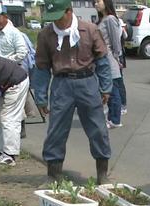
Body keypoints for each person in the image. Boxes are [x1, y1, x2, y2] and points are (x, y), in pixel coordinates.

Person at [32, 0, 113, 184]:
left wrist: (106, 87)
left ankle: (102, 174)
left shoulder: (90, 30)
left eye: (59, 17)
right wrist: (41, 97)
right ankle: (53, 175)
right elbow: (42, 68)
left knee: (98, 129)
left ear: (69, 11)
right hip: (61, 85)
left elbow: (102, 61)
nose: (57, 22)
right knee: (56, 130)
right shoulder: (46, 35)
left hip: (87, 82)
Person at [0, 2, 33, 140]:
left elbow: (22, 52)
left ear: (5, 16)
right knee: (2, 104)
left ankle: (19, 130)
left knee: (14, 105)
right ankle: (5, 134)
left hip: (14, 73)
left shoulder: (14, 33)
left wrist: (5, 62)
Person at [95, 0, 123, 129]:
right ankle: (111, 117)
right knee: (108, 88)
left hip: (110, 57)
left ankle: (115, 119)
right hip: (101, 57)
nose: (96, 4)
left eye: (98, 1)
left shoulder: (110, 19)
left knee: (113, 89)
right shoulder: (102, 19)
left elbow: (115, 40)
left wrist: (117, 57)